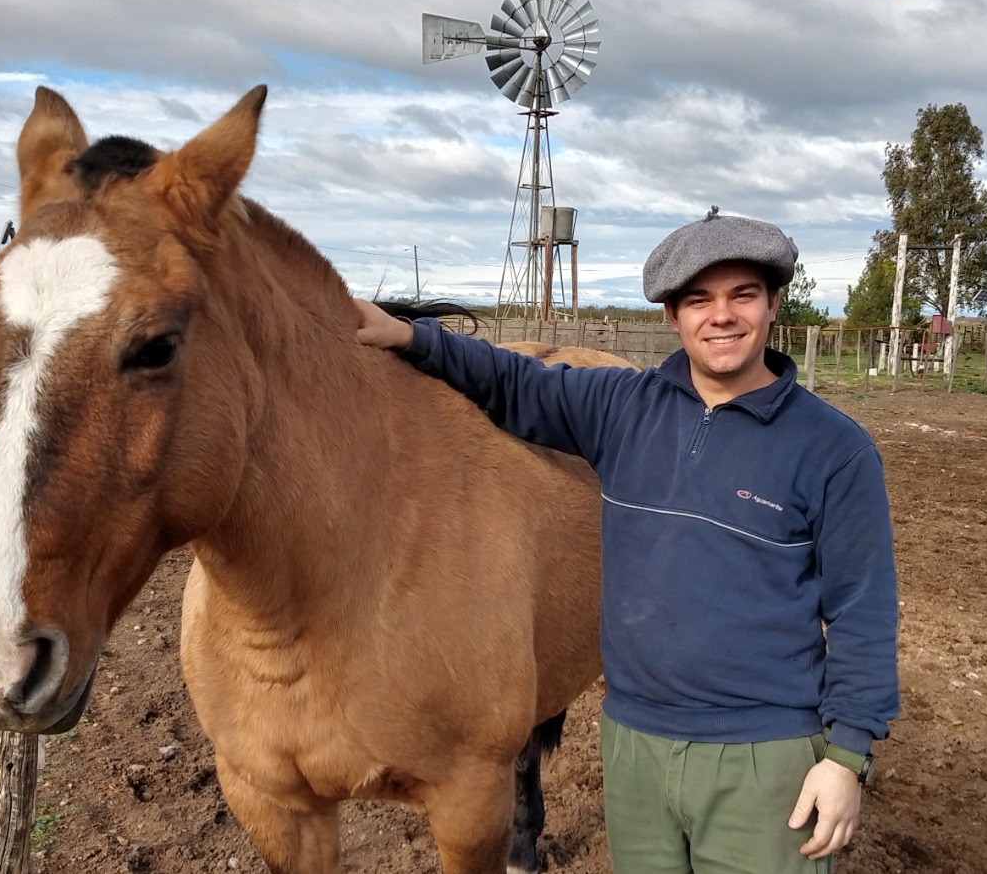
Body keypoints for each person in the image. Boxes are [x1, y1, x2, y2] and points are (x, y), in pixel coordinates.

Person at [353, 207, 899, 874]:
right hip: (637, 744)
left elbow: (863, 610)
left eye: (741, 295)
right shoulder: (624, 408)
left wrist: (844, 758)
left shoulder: (834, 449)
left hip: (765, 754)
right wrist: (408, 336)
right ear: (673, 315)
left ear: (773, 304)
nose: (720, 315)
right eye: (699, 299)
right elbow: (508, 378)